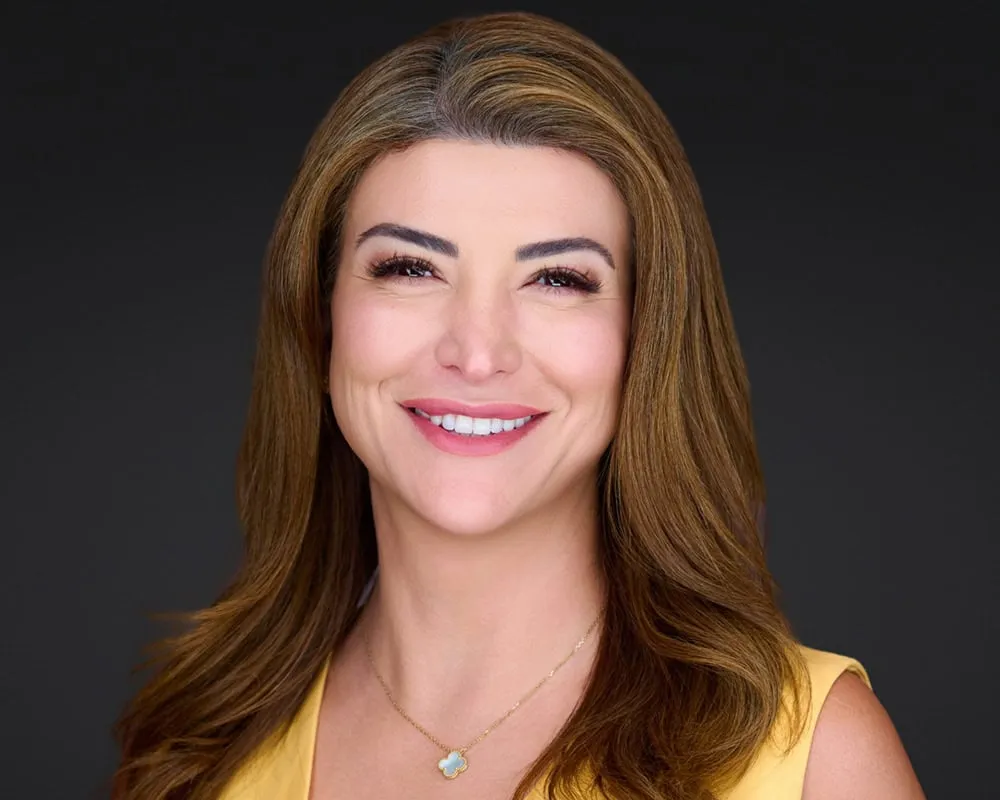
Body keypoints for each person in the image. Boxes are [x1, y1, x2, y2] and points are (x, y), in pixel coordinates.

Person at [111, 11, 925, 800]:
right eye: (409, 268)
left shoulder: (811, 755)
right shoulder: (196, 747)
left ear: (645, 337)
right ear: (320, 315)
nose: (477, 350)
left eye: (558, 279)